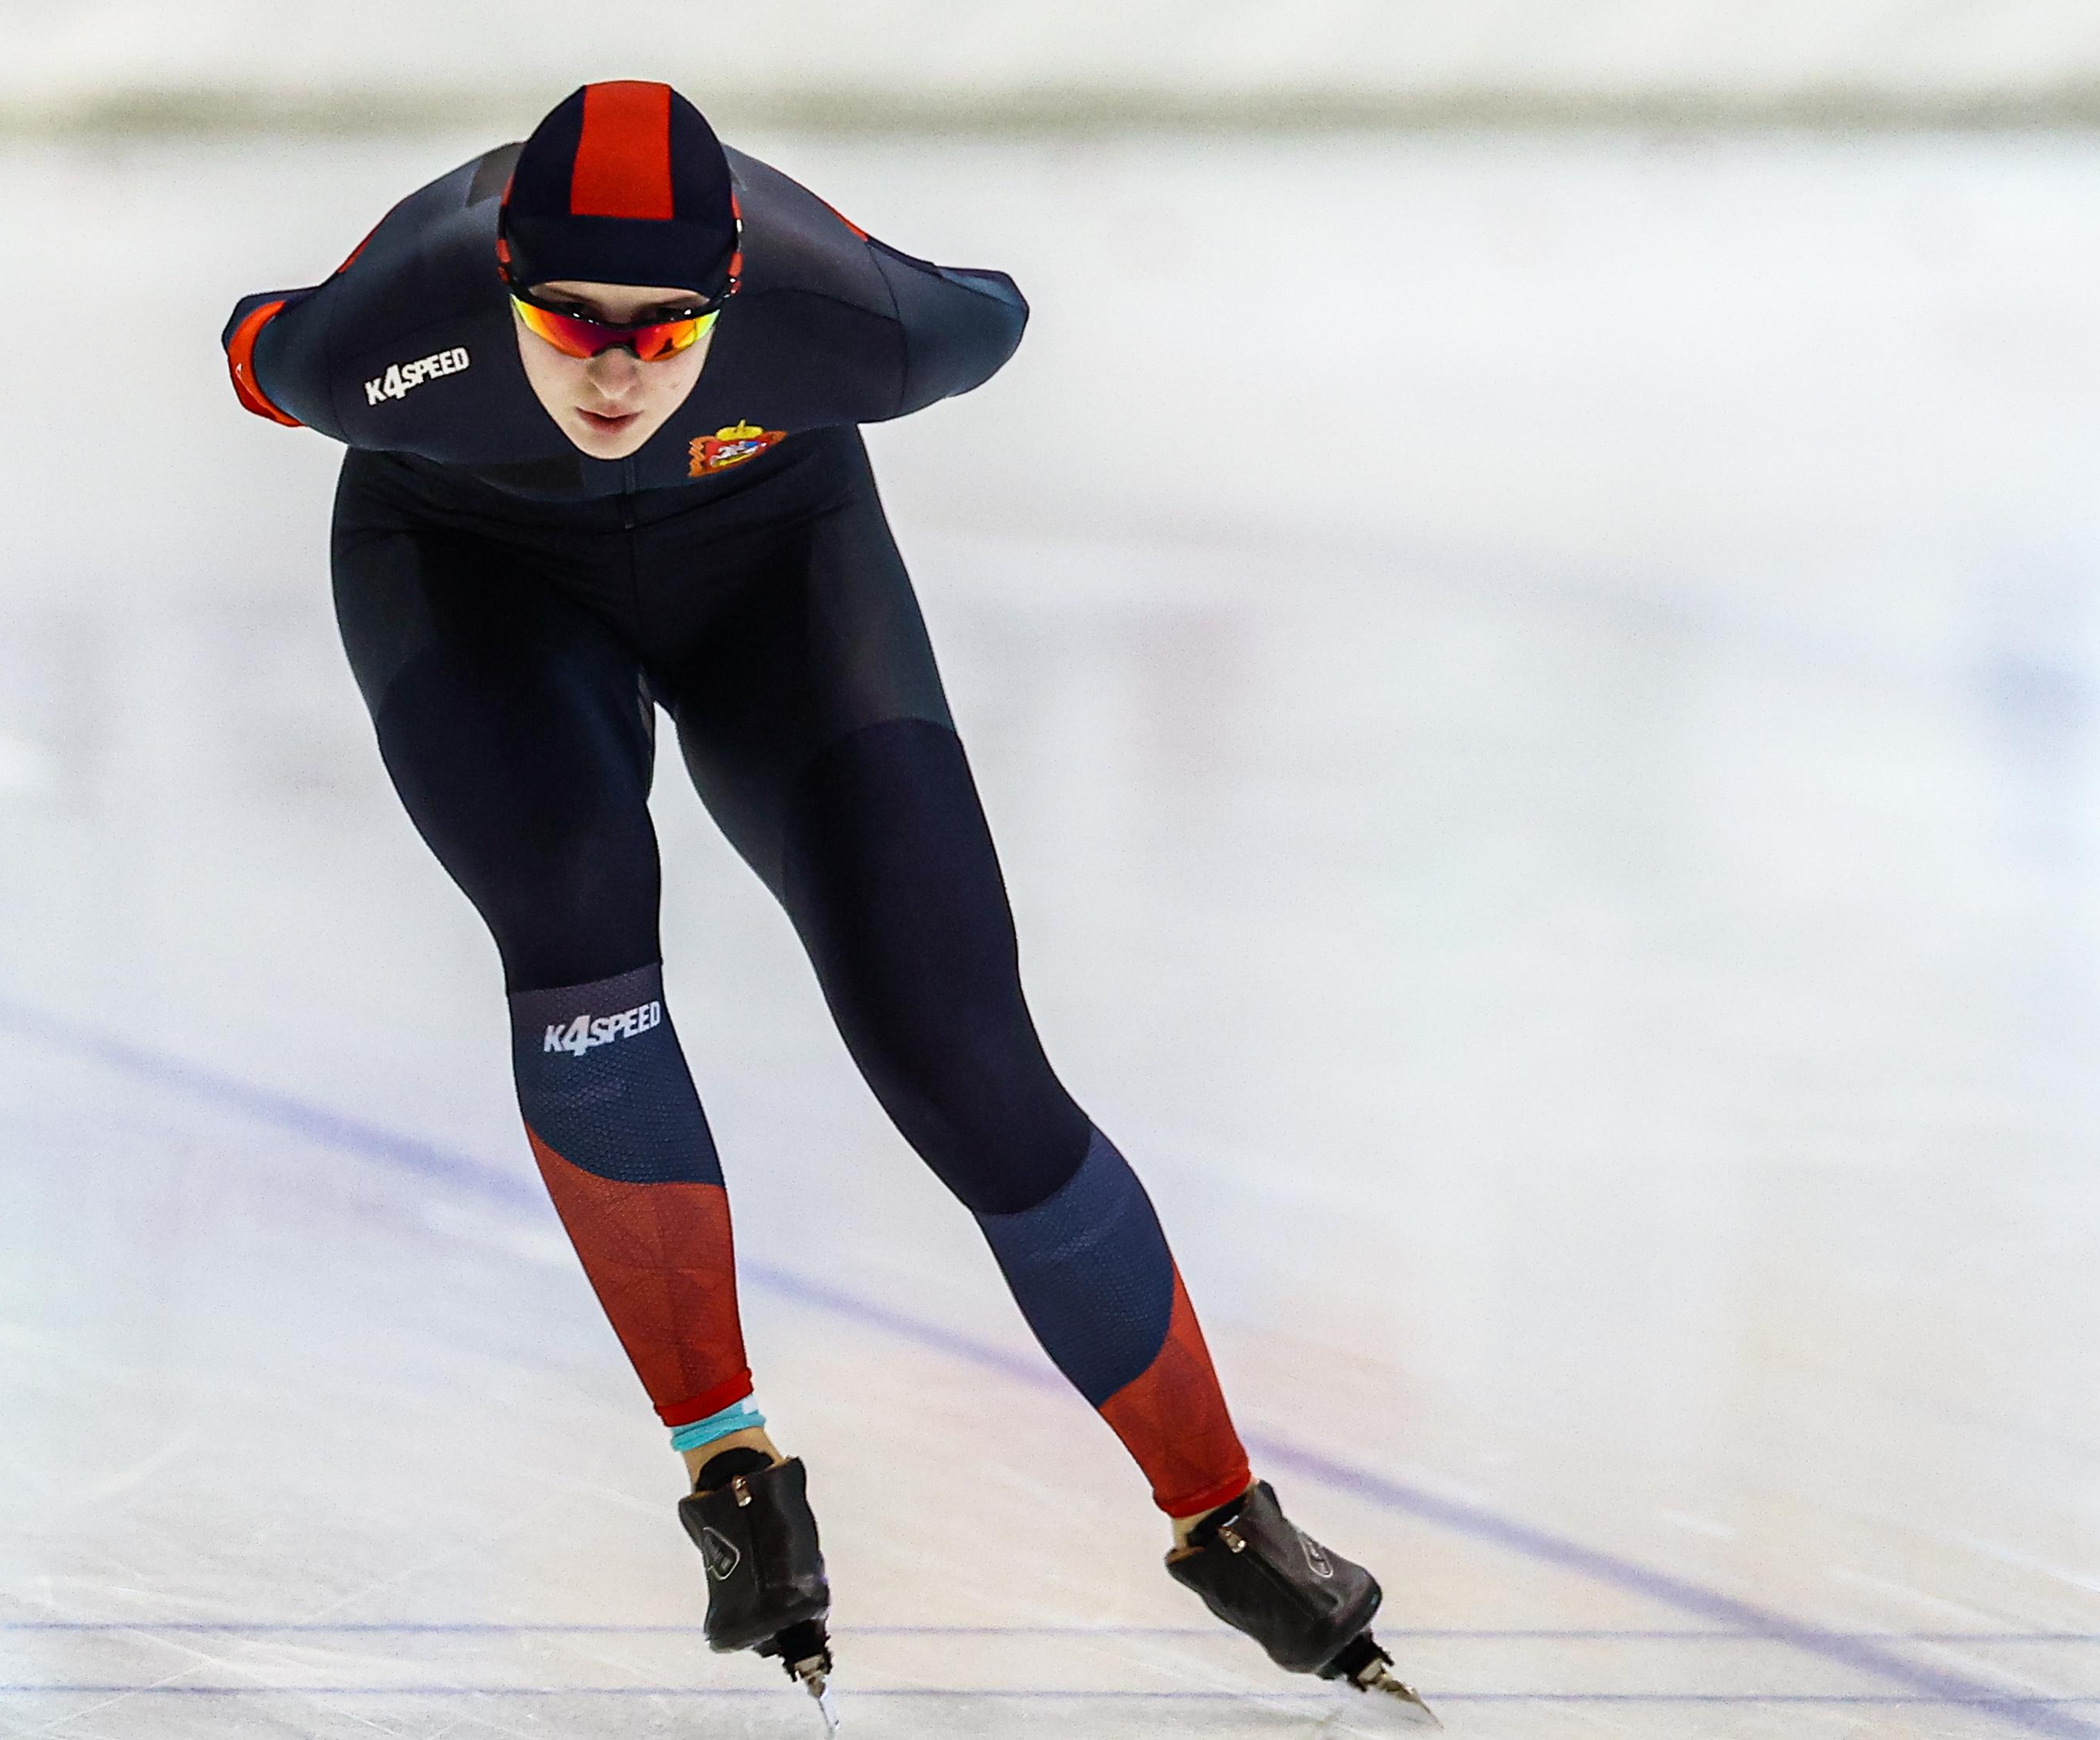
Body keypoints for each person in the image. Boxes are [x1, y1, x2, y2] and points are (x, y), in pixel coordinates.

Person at [219, 80, 1426, 1721]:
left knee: (958, 1045)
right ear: (499, 280)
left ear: (737, 293)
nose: (614, 372)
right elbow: (257, 345)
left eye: (665, 330)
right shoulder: (386, 335)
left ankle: (1225, 1515)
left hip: (773, 564)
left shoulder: (864, 325)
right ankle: (729, 1471)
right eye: (568, 322)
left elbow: (996, 307)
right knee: (575, 919)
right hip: (468, 568)